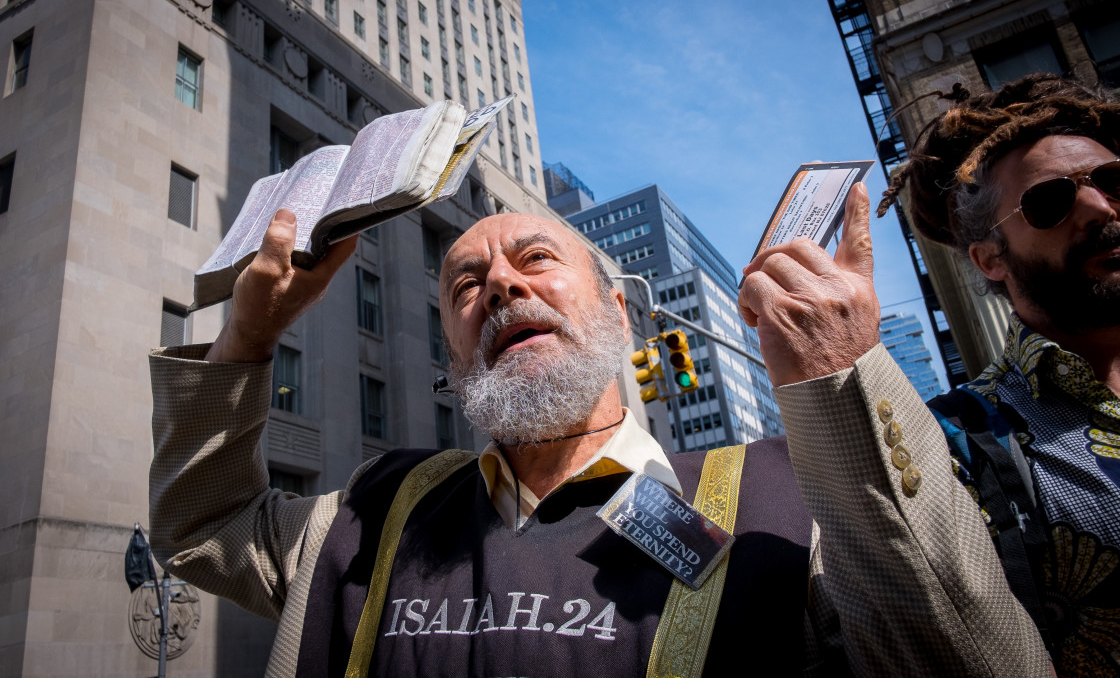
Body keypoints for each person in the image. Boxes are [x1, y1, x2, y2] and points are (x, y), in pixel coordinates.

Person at [149, 185, 1048, 676]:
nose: (500, 286)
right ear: (454, 349)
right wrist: (250, 333)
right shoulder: (372, 513)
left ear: (619, 314)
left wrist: (844, 387)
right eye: (466, 285)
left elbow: (968, 657)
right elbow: (198, 527)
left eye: (536, 259)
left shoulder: (792, 499)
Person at [882, 73, 1120, 676]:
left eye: (1115, 182)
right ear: (990, 258)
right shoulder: (945, 443)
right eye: (1050, 201)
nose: (1099, 206)